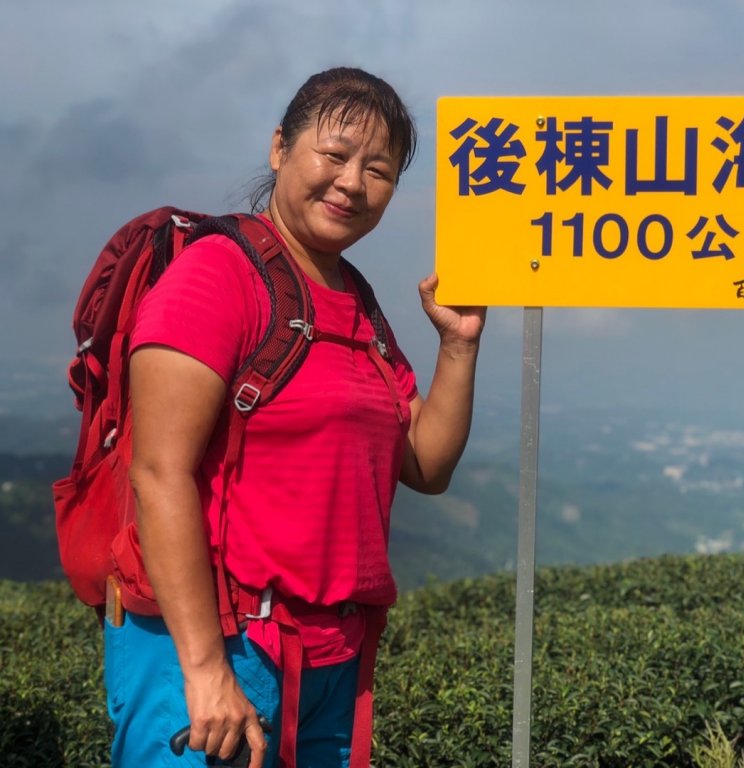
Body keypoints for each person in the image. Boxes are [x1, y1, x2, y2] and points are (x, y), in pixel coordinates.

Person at [107, 67, 486, 767]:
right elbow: (159, 473)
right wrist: (204, 670)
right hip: (218, 650)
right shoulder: (216, 275)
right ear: (280, 146)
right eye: (334, 154)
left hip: (331, 660)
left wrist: (458, 346)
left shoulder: (357, 306)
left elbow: (426, 465)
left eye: (379, 170)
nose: (351, 183)